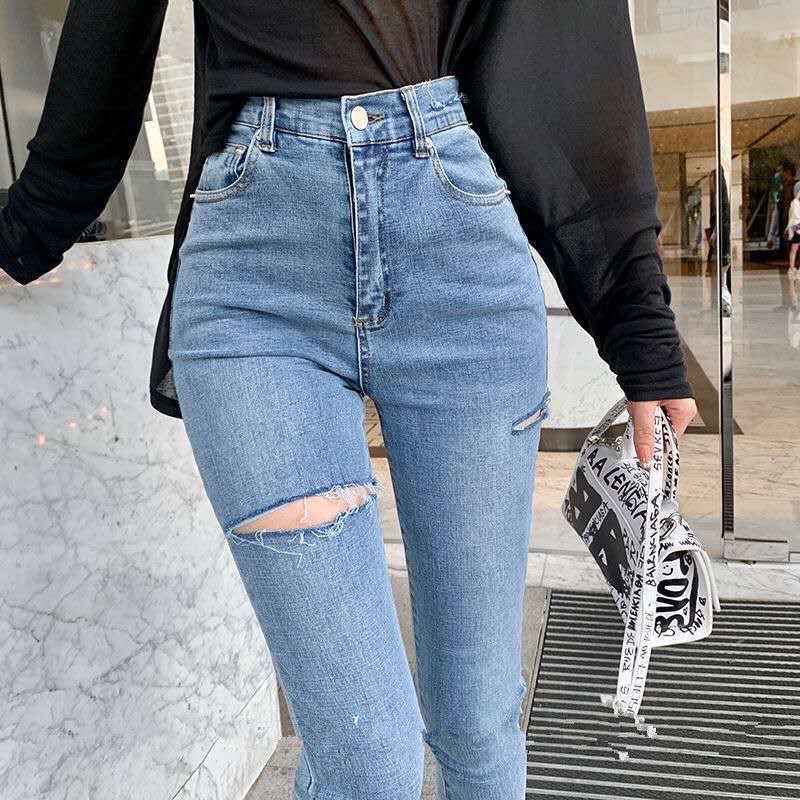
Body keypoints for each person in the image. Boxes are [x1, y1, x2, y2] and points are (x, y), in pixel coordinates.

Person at [0, 2, 697, 798]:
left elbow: (574, 53)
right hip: (254, 267)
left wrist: (641, 331)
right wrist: (27, 226)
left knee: (477, 721)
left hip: (458, 245)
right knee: (367, 761)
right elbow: (109, 28)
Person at [785, 179, 800, 310]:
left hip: (797, 228)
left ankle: (794, 266)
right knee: (794, 249)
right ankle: (792, 267)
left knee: (795, 249)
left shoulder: (796, 202)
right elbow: (795, 217)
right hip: (797, 229)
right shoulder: (795, 202)